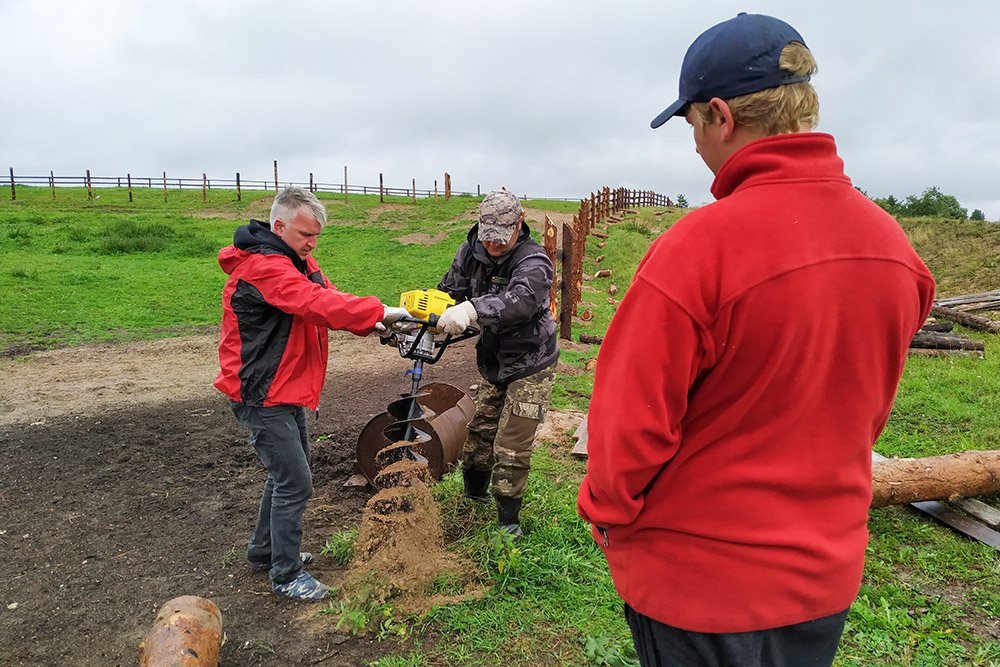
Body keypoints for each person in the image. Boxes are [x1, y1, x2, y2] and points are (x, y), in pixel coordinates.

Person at [576, 13, 935, 666]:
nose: (694, 147)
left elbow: (627, 430)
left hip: (698, 584)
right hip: (823, 578)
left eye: (691, 127)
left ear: (721, 116)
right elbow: (863, 410)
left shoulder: (696, 251)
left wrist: (604, 507)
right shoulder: (894, 250)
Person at [214, 186, 410, 600]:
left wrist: (376, 325)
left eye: (317, 236)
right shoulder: (265, 268)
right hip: (261, 395)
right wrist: (380, 311)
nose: (313, 243)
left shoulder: (297, 258)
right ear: (279, 225)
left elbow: (328, 297)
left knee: (285, 475)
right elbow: (311, 303)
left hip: (286, 390)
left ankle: (264, 551)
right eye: (306, 235)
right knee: (295, 482)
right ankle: (285, 576)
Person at [436, 189, 560, 541]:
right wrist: (424, 312)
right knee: (480, 434)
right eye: (487, 234)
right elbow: (450, 291)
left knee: (511, 444)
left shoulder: (535, 262)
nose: (491, 244)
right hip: (494, 361)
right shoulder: (471, 250)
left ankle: (509, 524)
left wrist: (474, 310)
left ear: (519, 224)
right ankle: (471, 497)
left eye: (499, 237)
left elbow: (518, 303)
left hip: (531, 362)